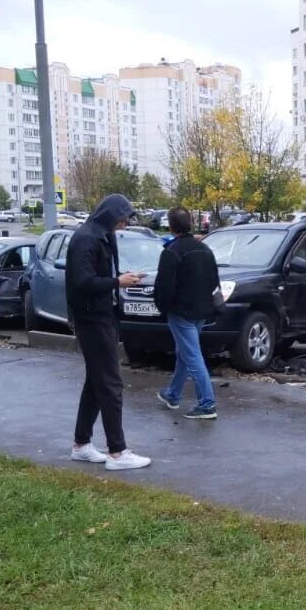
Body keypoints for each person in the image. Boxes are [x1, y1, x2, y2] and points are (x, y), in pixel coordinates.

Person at [65, 194, 150, 471]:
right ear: (111, 216)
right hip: (92, 319)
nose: (125, 223)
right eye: (123, 218)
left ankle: (81, 444)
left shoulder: (101, 234)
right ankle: (117, 451)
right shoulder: (86, 238)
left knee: (96, 383)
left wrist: (121, 277)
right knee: (111, 384)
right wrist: (117, 281)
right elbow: (82, 281)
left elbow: (96, 274)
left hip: (102, 316)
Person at [154, 206, 221, 420]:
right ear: (190, 224)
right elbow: (214, 280)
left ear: (171, 226)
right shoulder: (205, 249)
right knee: (185, 352)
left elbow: (163, 287)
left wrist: (162, 307)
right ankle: (172, 394)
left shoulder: (171, 251)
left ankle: (207, 403)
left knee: (192, 355)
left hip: (180, 312)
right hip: (201, 311)